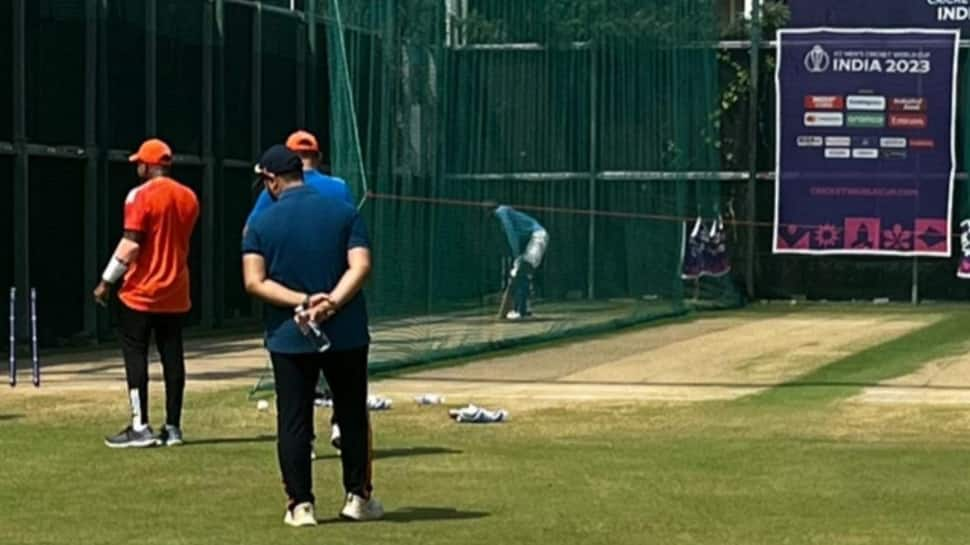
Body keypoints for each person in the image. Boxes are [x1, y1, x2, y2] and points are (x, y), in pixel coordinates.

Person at [242, 145, 382, 527]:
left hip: (289, 336)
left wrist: (303, 302)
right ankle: (358, 497)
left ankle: (300, 505)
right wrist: (331, 303)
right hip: (347, 333)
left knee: (293, 420)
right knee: (352, 413)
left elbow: (254, 281)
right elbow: (361, 265)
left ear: (272, 180)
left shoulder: (260, 223)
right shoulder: (343, 212)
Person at [243, 130, 346, 454]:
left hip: (293, 301)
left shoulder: (272, 194)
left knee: (295, 393)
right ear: (317, 156)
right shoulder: (339, 187)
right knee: (342, 380)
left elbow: (252, 234)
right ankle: (341, 429)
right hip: (334, 298)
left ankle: (305, 452)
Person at [93, 138, 200, 448]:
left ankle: (140, 426)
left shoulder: (139, 196)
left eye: (139, 162)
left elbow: (132, 243)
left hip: (140, 292)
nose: (137, 167)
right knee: (173, 357)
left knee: (135, 355)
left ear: (150, 164)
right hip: (176, 291)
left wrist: (106, 281)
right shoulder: (189, 197)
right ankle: (174, 427)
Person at [494, 205, 549, 320]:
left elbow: (511, 232)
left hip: (537, 236)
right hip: (531, 240)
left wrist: (516, 253)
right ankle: (523, 309)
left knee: (522, 272)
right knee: (522, 274)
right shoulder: (505, 213)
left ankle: (520, 311)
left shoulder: (501, 211)